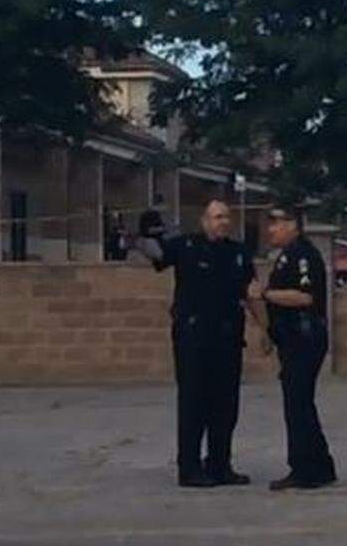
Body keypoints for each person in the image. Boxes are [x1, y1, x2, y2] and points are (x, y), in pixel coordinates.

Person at [133, 200, 255, 488]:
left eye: (226, 217)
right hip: (193, 339)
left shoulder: (238, 253)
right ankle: (189, 468)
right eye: (216, 217)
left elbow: (250, 293)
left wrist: (266, 331)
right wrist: (148, 233)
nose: (222, 222)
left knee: (226, 405)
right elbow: (155, 255)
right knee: (193, 403)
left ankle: (220, 465)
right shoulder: (186, 246)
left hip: (228, 339)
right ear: (204, 221)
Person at [247, 203, 337, 491]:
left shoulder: (302, 255)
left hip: (305, 335)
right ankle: (320, 465)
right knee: (299, 403)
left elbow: (305, 297)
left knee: (297, 404)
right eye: (270, 224)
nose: (271, 230)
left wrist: (266, 293)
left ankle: (305, 469)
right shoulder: (286, 256)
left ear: (293, 226)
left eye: (277, 223)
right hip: (290, 337)